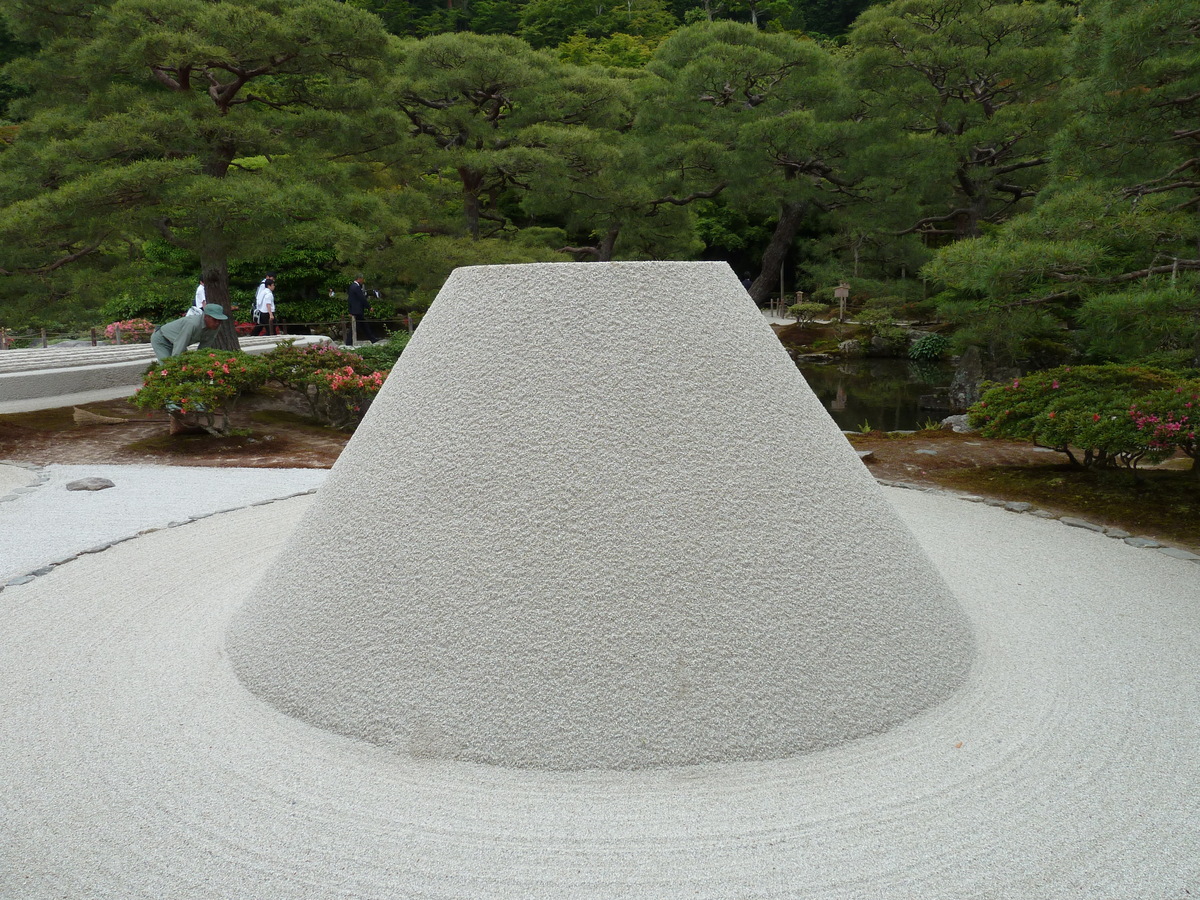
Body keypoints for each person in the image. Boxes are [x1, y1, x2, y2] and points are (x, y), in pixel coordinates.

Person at [150, 304, 229, 361]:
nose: (217, 323)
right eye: (215, 319)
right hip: (162, 339)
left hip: (176, 342)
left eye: (220, 320)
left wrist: (200, 362)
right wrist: (174, 363)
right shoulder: (193, 324)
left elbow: (205, 347)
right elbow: (180, 343)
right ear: (206, 317)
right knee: (167, 366)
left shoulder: (215, 327)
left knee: (186, 365)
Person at [346, 274, 376, 344]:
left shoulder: (352, 286)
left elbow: (350, 299)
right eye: (362, 279)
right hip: (357, 310)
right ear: (359, 279)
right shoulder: (356, 287)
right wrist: (369, 307)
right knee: (356, 326)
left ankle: (372, 339)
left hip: (355, 310)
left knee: (363, 324)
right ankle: (349, 342)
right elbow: (362, 298)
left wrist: (350, 310)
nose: (363, 281)